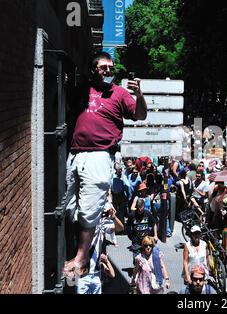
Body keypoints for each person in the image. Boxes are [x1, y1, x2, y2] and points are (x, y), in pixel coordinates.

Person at [63, 51, 147, 279]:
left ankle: (80, 259)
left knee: (90, 211)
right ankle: (77, 249)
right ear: (93, 70)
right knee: (70, 207)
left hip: (99, 156)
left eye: (111, 67)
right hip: (74, 154)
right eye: (103, 67)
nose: (109, 70)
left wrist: (139, 95)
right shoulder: (82, 89)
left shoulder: (119, 93)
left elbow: (140, 115)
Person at [76, 203, 123, 293]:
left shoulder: (102, 225)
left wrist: (113, 217)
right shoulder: (83, 222)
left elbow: (120, 228)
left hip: (96, 274)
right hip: (82, 274)